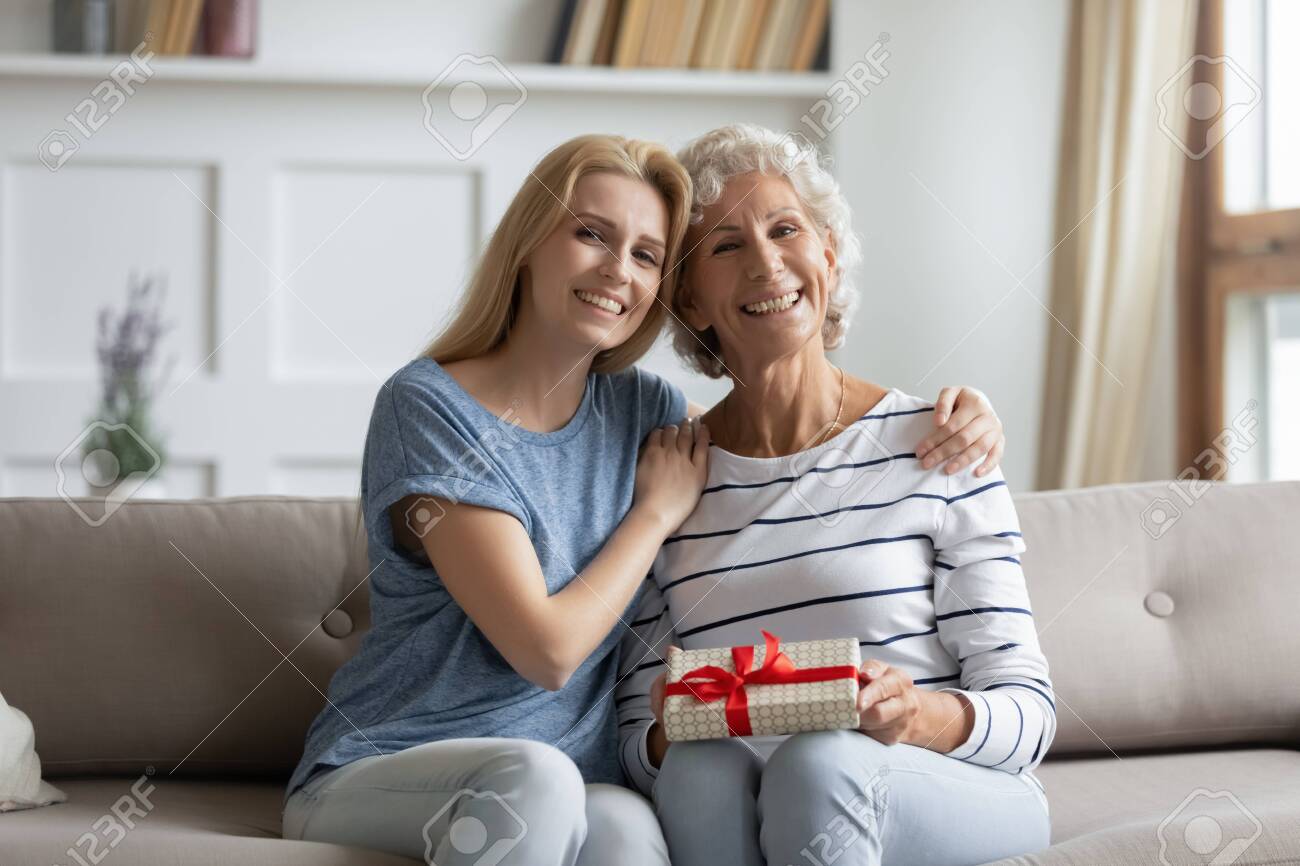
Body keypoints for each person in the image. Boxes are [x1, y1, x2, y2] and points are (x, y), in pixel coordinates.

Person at [281, 132, 1009, 865]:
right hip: (400, 765)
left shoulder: (642, 412)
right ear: (528, 243)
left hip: (575, 780)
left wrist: (963, 415)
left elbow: (774, 438)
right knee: (534, 782)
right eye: (591, 235)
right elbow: (547, 652)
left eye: (646, 255)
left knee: (629, 831)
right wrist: (653, 514)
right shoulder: (430, 407)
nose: (617, 271)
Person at [616, 123, 1054, 866]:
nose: (765, 262)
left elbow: (1029, 715)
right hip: (755, 801)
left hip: (944, 785)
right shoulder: (670, 478)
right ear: (689, 300)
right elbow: (634, 745)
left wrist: (914, 715)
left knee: (820, 761)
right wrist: (668, 726)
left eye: (786, 230)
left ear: (826, 253)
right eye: (726, 246)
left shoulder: (940, 442)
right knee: (694, 769)